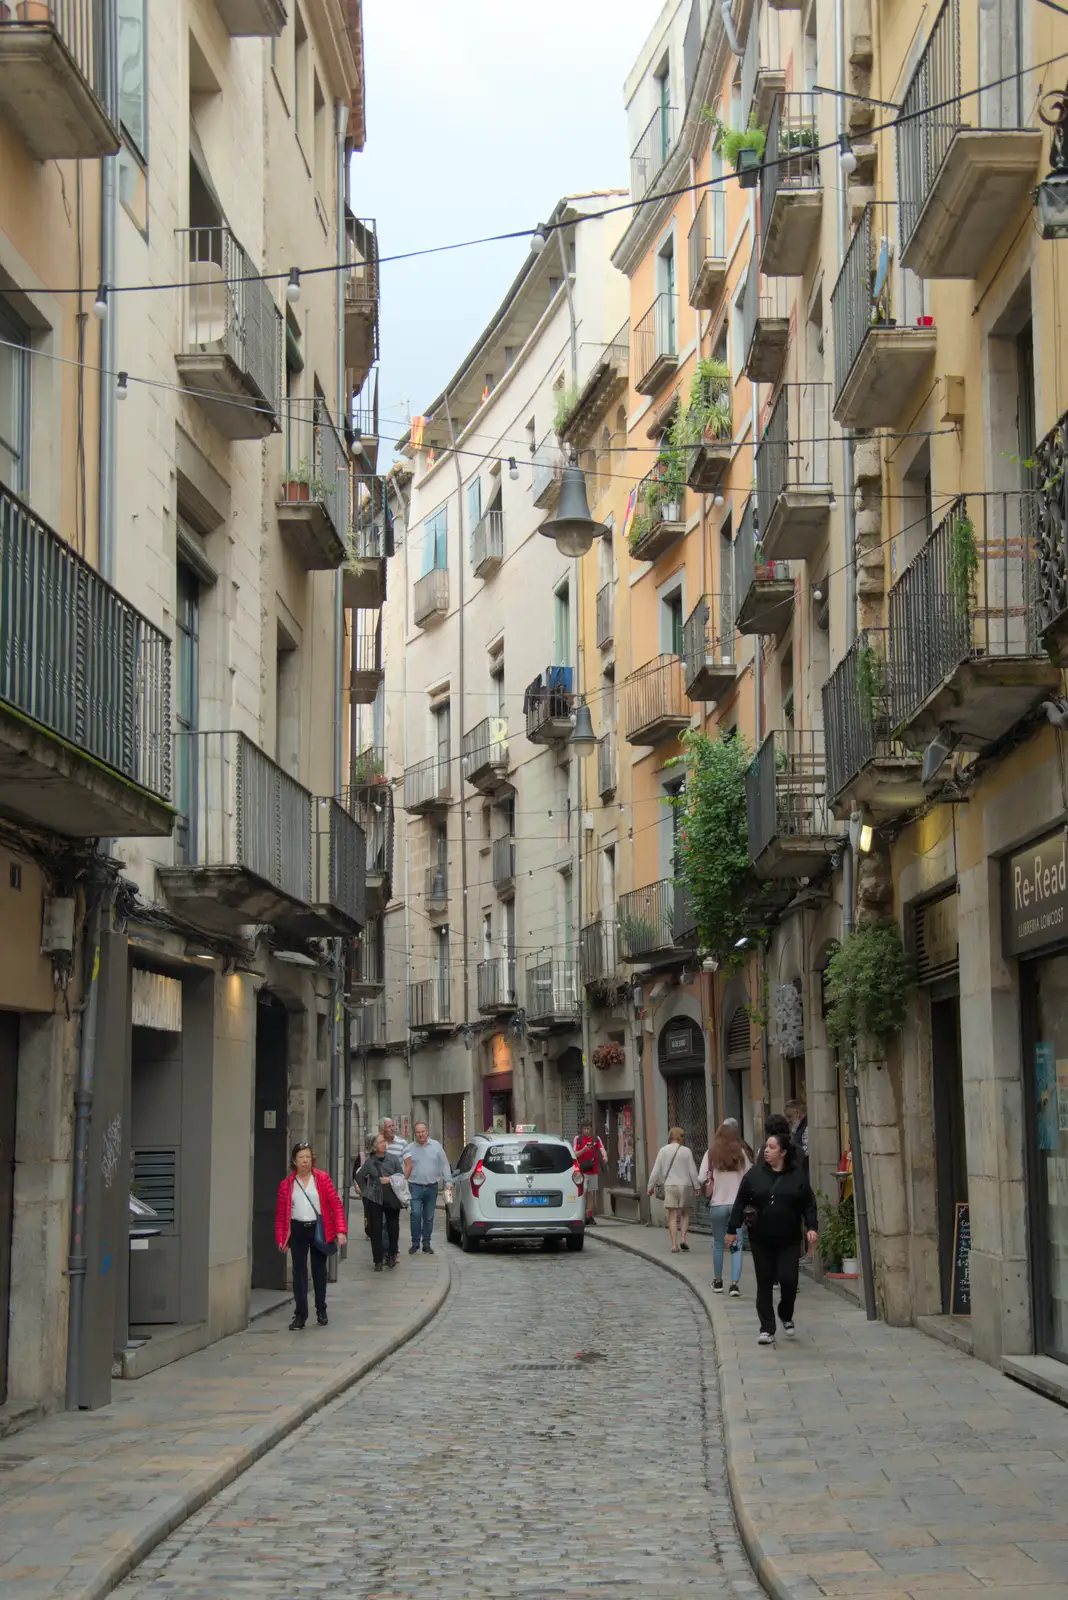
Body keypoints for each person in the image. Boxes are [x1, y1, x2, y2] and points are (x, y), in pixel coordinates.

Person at [726, 1113, 817, 1346]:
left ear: (783, 1152)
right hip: (761, 1238)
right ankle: (767, 1327)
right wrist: (732, 1229)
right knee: (764, 1281)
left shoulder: (797, 1176)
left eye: (771, 1147)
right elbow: (739, 1202)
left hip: (788, 1239)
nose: (766, 1150)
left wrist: (812, 1226)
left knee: (789, 1281)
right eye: (766, 1146)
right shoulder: (754, 1175)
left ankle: (785, 1314)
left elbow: (808, 1202)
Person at [275, 1142, 346, 1330]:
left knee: (319, 1271)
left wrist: (340, 1231)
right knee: (299, 1272)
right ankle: (300, 1314)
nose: (305, 1161)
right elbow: (282, 1215)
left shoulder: (322, 1179)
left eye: (308, 1157)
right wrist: (281, 1238)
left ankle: (321, 1309)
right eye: (301, 1157)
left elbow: (336, 1205)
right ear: (294, 1161)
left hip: (318, 1229)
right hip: (297, 1229)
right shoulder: (287, 1185)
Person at [699, 1121, 752, 1296]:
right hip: (737, 1205)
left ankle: (718, 1281)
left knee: (719, 1244)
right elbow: (749, 1177)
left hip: (718, 1204)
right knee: (736, 1243)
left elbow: (701, 1177)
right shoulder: (741, 1153)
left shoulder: (711, 1154)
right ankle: (734, 1284)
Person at [354, 1131, 404, 1270]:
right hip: (375, 1198)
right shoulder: (370, 1162)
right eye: (380, 1142)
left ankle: (392, 1254)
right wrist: (366, 1192)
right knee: (375, 1228)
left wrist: (390, 1179)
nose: (383, 1144)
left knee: (393, 1227)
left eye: (384, 1142)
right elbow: (360, 1177)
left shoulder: (393, 1159)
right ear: (374, 1147)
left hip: (391, 1195)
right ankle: (377, 1258)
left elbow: (401, 1176)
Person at [646, 1126, 701, 1253]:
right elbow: (692, 1171)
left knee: (672, 1215)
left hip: (670, 1185)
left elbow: (655, 1171)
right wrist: (697, 1186)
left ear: (670, 1136)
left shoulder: (663, 1151)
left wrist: (650, 1187)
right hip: (685, 1185)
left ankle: (674, 1245)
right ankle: (683, 1239)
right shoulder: (687, 1151)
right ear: (681, 1137)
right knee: (685, 1213)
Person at [403, 1121, 452, 1254]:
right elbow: (405, 1167)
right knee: (416, 1214)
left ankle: (426, 1243)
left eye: (422, 1131)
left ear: (427, 1131)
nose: (420, 1134)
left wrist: (448, 1181)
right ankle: (415, 1243)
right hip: (415, 1186)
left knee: (429, 1216)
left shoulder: (436, 1146)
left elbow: (444, 1165)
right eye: (418, 1132)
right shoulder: (409, 1148)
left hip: (432, 1187)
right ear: (415, 1134)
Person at [573, 1121, 608, 1225]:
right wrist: (584, 1149)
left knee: (591, 1193)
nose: (587, 1131)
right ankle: (581, 1214)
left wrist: (604, 1156)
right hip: (581, 1170)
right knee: (583, 1192)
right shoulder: (577, 1139)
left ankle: (590, 1215)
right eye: (585, 1129)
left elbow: (602, 1149)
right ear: (582, 1129)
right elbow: (575, 1154)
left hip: (593, 1169)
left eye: (589, 1128)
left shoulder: (596, 1139)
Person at [785, 1098, 810, 1179]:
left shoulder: (807, 1127)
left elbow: (806, 1151)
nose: (788, 1120)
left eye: (790, 1116)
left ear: (797, 1113)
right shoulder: (797, 1127)